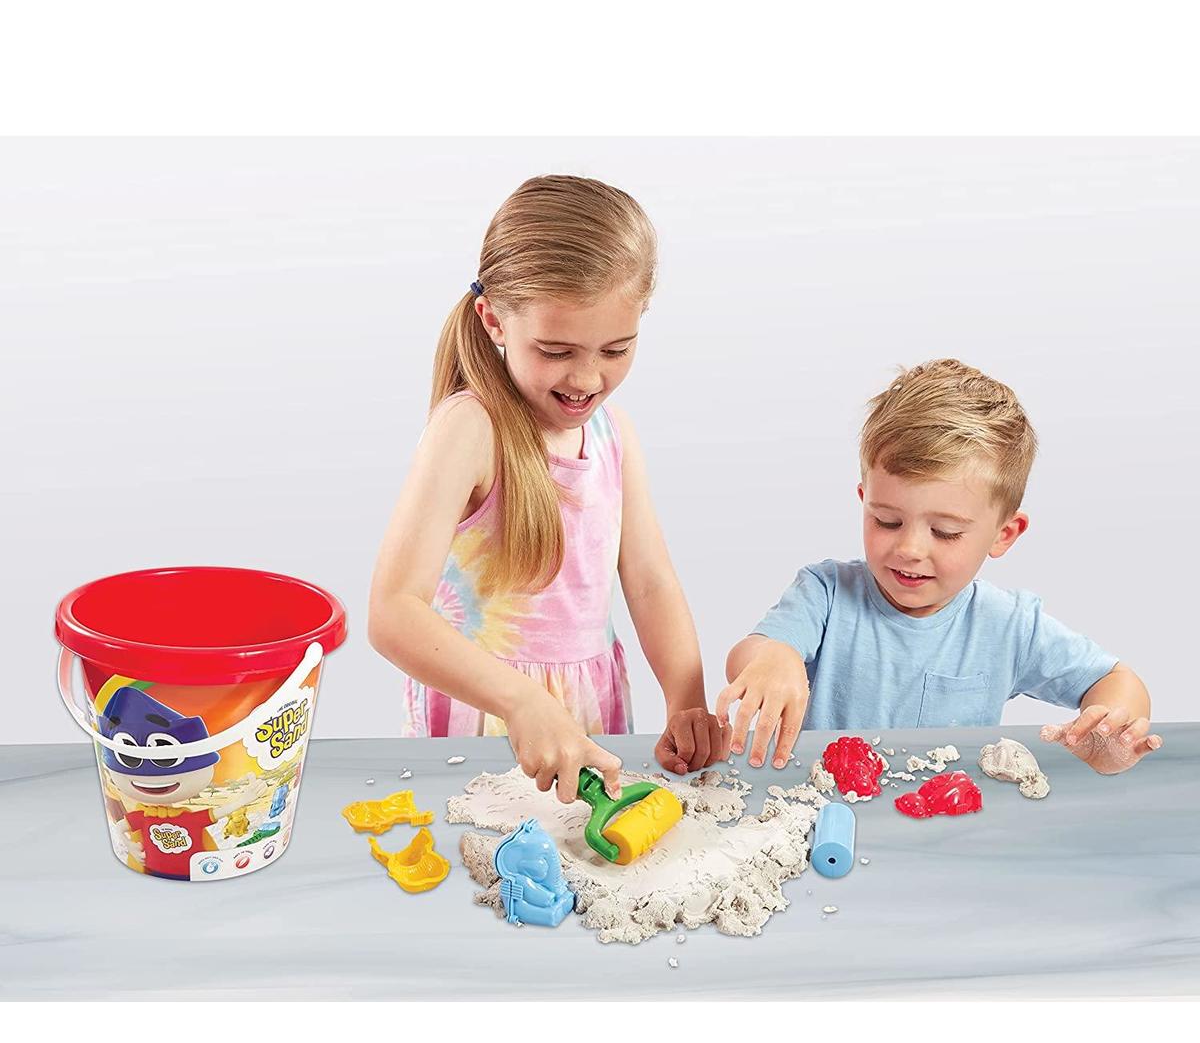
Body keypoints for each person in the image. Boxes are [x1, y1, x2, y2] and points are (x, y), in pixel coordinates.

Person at [369, 174, 728, 803]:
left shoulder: (613, 435)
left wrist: (686, 700)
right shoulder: (470, 428)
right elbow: (393, 611)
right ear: (494, 320)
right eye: (556, 351)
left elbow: (649, 580)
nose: (586, 378)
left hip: (591, 709)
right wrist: (520, 701)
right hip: (488, 718)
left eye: (616, 349)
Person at [719, 358, 1162, 774]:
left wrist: (1111, 731)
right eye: (886, 520)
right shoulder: (826, 593)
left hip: (946, 815)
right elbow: (748, 654)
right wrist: (775, 657)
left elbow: (1116, 679)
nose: (910, 548)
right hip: (826, 808)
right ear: (864, 501)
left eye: (945, 532)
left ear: (1004, 534)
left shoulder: (1009, 625)